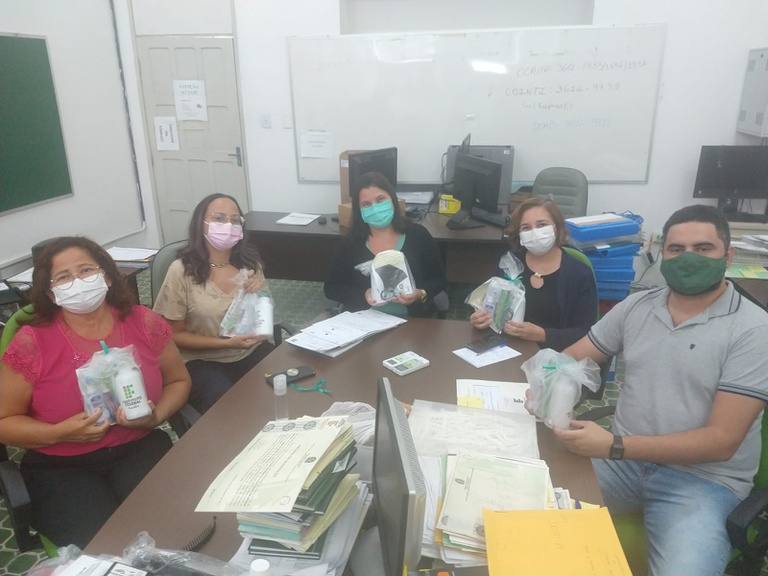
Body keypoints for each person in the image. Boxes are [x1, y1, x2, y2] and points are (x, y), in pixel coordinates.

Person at [549, 205, 768, 576]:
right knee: (524, 510)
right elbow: (571, 358)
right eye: (676, 249)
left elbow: (722, 441)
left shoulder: (754, 330)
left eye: (703, 248)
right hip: (619, 465)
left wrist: (615, 445)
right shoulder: (637, 306)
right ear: (661, 253)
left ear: (728, 256)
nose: (688, 258)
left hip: (702, 481)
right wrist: (547, 385)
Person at [0, 237, 191, 549]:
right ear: (50, 292)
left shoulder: (143, 321)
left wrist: (158, 414)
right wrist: (58, 433)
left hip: (138, 447)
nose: (78, 282)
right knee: (108, 552)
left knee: (174, 534)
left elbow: (178, 381)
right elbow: (4, 421)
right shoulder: (32, 342)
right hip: (62, 468)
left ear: (107, 275)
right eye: (63, 277)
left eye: (86, 270)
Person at [153, 193, 275, 414]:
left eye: (235, 220)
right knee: (230, 411)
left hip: (250, 351)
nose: (228, 225)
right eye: (219, 218)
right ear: (201, 224)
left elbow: (263, 319)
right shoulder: (181, 271)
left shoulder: (250, 264)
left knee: (283, 390)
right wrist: (227, 344)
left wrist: (259, 295)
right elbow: (173, 336)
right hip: (203, 361)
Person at [470, 197, 597, 351]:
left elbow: (586, 333)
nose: (534, 232)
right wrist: (480, 318)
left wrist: (543, 335)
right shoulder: (510, 263)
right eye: (526, 228)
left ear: (556, 227)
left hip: (555, 355)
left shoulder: (579, 274)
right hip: (506, 349)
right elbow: (490, 306)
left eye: (542, 225)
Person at [324, 172, 446, 318]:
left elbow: (438, 279)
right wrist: (364, 294)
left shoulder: (418, 235)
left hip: (413, 321)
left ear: (393, 200)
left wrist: (420, 294)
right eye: (366, 204)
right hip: (365, 321)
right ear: (359, 210)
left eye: (380, 199)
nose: (375, 208)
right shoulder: (351, 243)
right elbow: (332, 288)